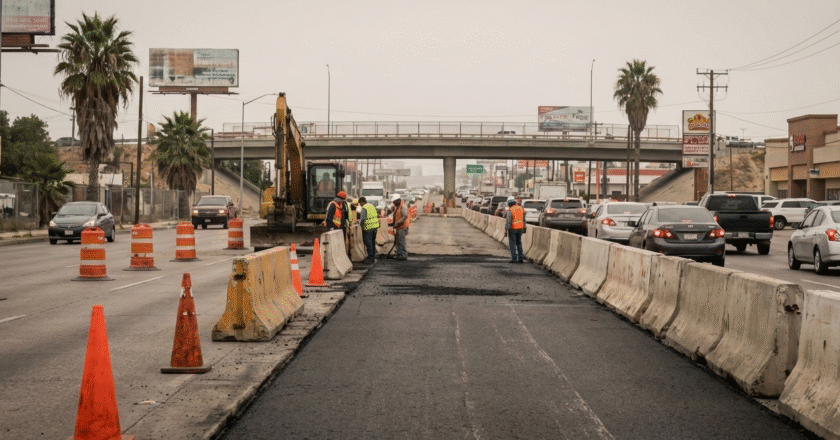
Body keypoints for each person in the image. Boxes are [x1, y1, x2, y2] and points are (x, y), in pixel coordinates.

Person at [358, 196, 380, 263]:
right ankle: (372, 256)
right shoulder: (371, 206)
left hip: (368, 227)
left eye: (360, 203)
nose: (360, 205)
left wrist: (359, 224)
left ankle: (370, 258)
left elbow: (362, 219)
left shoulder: (364, 208)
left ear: (362, 202)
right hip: (375, 226)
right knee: (372, 242)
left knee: (368, 243)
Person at [505, 198, 526, 263]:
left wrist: (506, 229)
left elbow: (508, 221)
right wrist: (524, 228)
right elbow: (524, 219)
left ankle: (514, 259)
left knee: (512, 244)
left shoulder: (510, 210)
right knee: (519, 243)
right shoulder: (521, 209)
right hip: (520, 228)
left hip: (513, 229)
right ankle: (520, 258)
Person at [391, 193, 410, 260]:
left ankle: (403, 254)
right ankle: (399, 254)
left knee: (401, 241)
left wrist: (398, 223)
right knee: (398, 241)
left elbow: (405, 216)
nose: (394, 203)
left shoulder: (403, 207)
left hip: (402, 227)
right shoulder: (398, 207)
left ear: (398, 200)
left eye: (394, 202)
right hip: (399, 227)